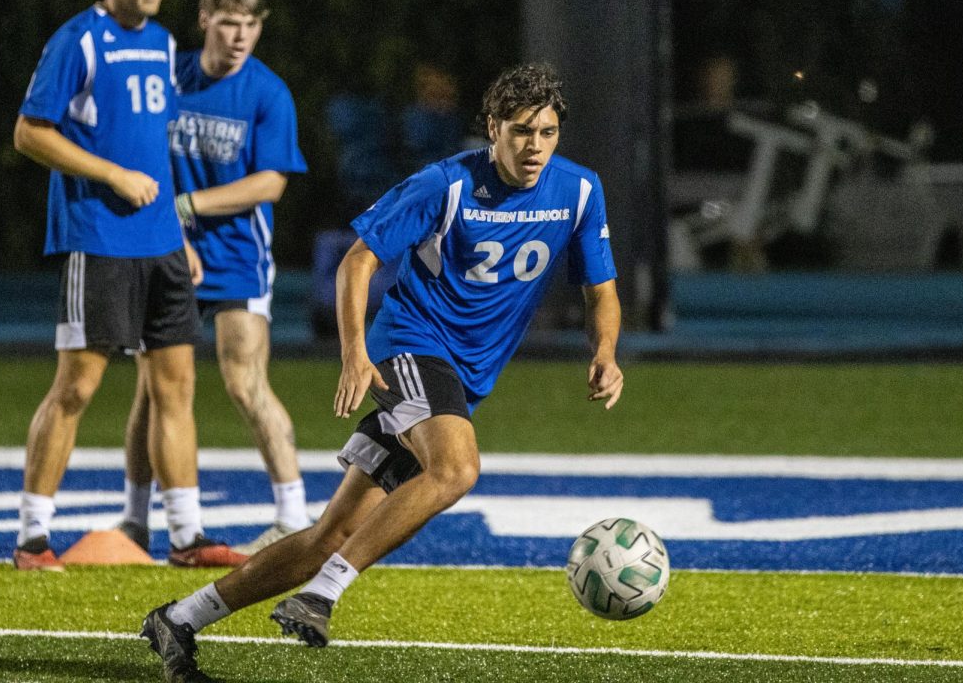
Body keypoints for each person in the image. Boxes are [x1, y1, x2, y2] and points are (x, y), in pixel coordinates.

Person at [140, 62, 624, 682]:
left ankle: (179, 618)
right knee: (456, 468)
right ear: (494, 128)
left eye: (548, 133)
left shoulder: (579, 192)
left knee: (329, 533)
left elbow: (601, 290)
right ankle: (323, 594)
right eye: (522, 132)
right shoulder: (445, 184)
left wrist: (605, 352)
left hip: (464, 378)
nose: (535, 147)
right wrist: (355, 352)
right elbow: (357, 261)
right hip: (411, 348)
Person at [12, 0, 239, 571]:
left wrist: (179, 231)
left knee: (176, 386)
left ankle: (188, 537)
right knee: (77, 387)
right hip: (100, 236)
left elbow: (153, 144)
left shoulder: (165, 42)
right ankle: (32, 538)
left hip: (160, 242)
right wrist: (110, 175)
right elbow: (29, 133)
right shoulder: (77, 41)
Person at [115, 0, 311, 556]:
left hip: (238, 257)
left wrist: (187, 207)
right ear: (204, 21)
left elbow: (271, 183)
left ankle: (294, 516)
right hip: (164, 249)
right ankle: (134, 521)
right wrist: (170, 228)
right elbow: (139, 147)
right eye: (228, 24)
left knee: (244, 381)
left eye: (250, 25)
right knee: (153, 390)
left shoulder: (269, 93)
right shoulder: (168, 77)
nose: (240, 36)